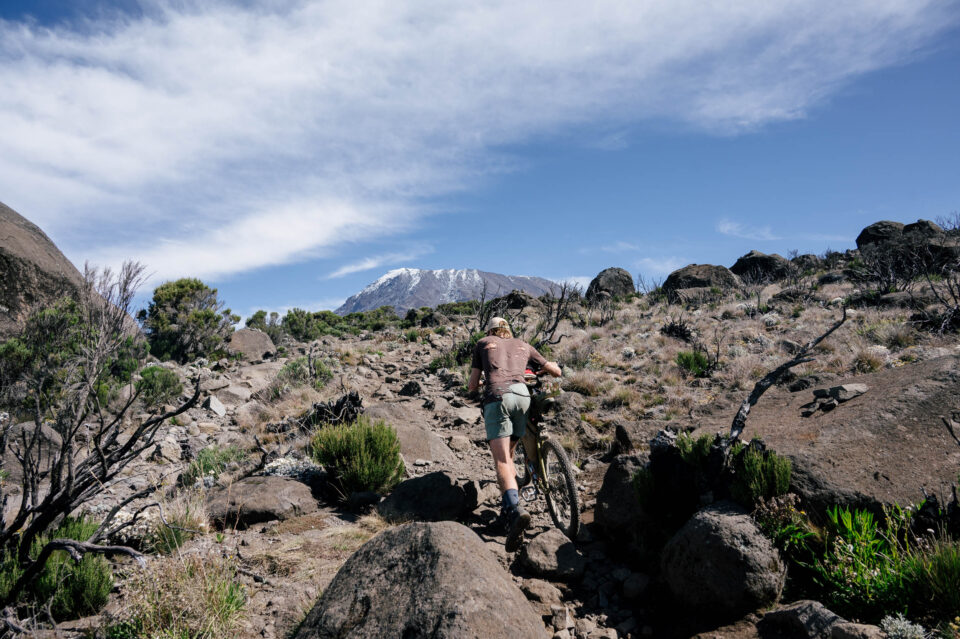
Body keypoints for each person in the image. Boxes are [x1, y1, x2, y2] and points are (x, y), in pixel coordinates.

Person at [468, 316, 562, 551]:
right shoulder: (523, 344)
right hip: (522, 395)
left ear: (490, 330)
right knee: (510, 454)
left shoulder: (482, 343)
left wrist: (480, 384)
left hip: (497, 396)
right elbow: (555, 371)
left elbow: (471, 385)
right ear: (508, 330)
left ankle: (514, 510)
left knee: (502, 460)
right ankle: (510, 504)